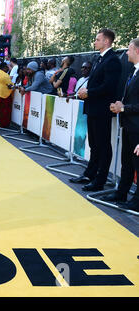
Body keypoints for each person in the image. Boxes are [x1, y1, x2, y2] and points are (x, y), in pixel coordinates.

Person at [72, 28, 122, 191]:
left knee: (103, 145)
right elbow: (95, 82)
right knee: (94, 143)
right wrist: (85, 90)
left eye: (98, 39)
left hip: (102, 109)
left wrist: (89, 92)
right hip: (93, 107)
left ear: (106, 41)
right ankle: (90, 174)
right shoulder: (99, 59)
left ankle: (99, 180)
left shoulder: (112, 60)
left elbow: (109, 86)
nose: (95, 42)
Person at [100, 38, 139, 211]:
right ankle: (121, 192)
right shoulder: (134, 72)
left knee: (136, 165)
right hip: (128, 125)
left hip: (136, 127)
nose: (127, 53)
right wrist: (119, 106)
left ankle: (137, 201)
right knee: (127, 163)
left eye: (129, 49)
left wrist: (124, 108)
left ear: (137, 51)